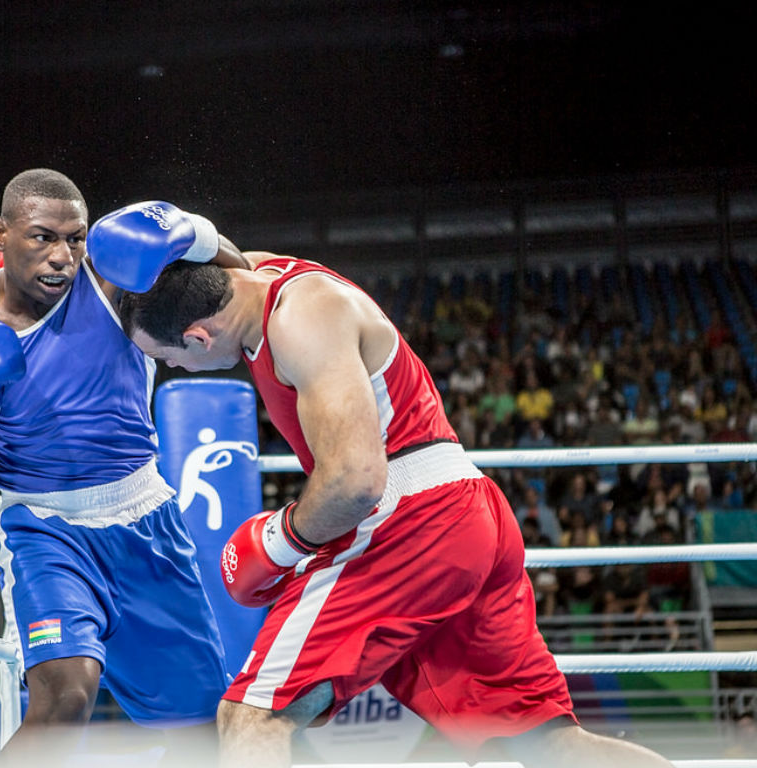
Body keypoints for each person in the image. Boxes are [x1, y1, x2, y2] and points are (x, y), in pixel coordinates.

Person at [88, 204, 675, 768]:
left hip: (408, 517)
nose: (173, 369)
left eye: (163, 358)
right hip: (464, 512)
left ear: (196, 337)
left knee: (251, 716)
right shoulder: (252, 279)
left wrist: (280, 541)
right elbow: (211, 249)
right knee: (547, 745)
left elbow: (356, 481)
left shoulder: (299, 320)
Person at [0, 172, 238, 763]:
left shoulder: (110, 277)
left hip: (144, 516)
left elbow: (234, 273)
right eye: (43, 237)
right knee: (65, 700)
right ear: (0, 233)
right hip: (43, 528)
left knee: (204, 722)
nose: (62, 257)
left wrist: (192, 233)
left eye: (75, 239)